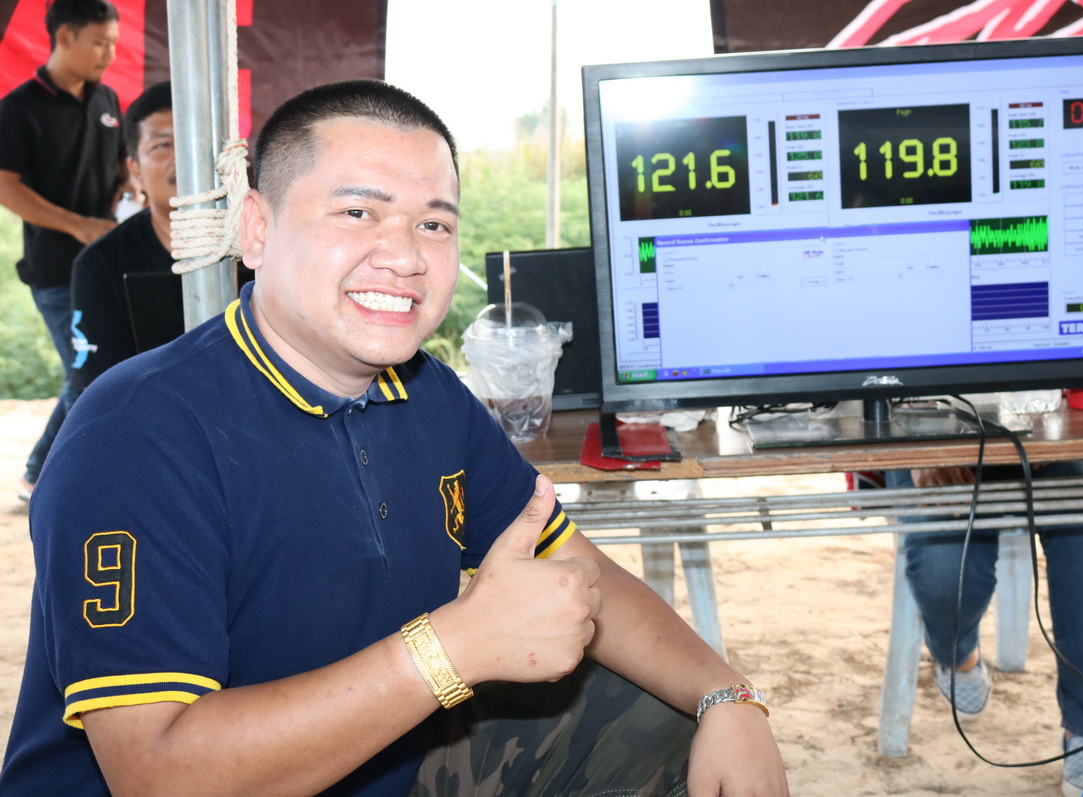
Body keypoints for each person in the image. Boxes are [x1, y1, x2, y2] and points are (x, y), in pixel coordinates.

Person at [0, 79, 789, 796]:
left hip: (386, 763)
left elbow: (576, 572)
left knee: (663, 725)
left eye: (433, 223)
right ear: (257, 229)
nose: (406, 256)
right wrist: (450, 648)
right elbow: (157, 774)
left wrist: (726, 696)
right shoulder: (138, 433)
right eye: (358, 212)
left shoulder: (428, 395)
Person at [885, 459, 1083, 797]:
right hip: (937, 444)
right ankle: (959, 655)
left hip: (1064, 446)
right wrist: (922, 449)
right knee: (943, 566)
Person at [0, 0, 124, 503]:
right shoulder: (18, 107)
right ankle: (43, 474)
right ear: (65, 37)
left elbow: (121, 165)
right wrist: (79, 226)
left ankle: (45, 470)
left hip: (109, 263)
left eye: (113, 43)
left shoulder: (108, 98)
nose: (109, 54)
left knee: (98, 368)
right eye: (99, 42)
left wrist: (127, 189)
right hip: (55, 270)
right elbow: (6, 187)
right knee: (87, 372)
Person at [69, 80, 176, 392]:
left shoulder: (264, 240)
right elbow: (100, 389)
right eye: (163, 145)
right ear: (135, 169)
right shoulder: (101, 264)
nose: (184, 157)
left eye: (194, 138)